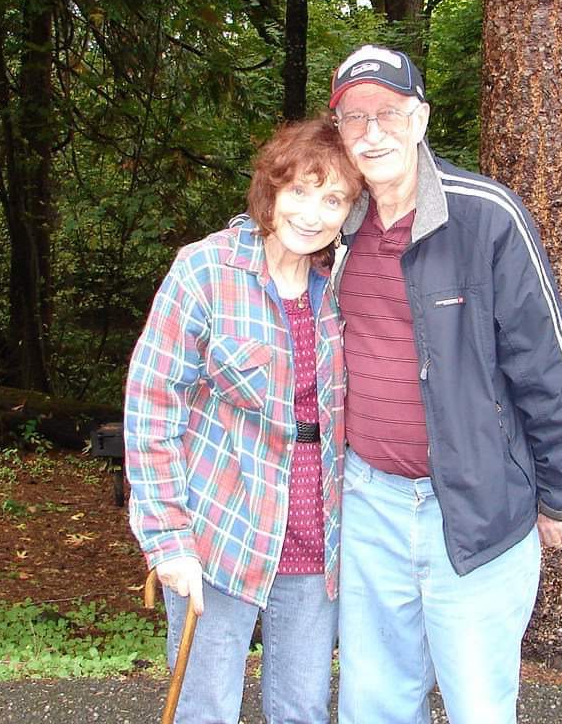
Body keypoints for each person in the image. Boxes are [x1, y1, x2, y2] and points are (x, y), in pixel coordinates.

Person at [329, 45, 562, 724]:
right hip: (367, 506)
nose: (372, 132)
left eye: (387, 112)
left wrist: (561, 491)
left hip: (477, 507)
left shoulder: (485, 217)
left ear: (420, 119)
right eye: (354, 117)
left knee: (478, 704)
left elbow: (549, 364)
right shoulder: (332, 226)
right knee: (374, 703)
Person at [123, 115, 362, 724]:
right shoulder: (206, 271)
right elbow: (152, 410)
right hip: (220, 527)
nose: (312, 212)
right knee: (205, 705)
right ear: (271, 190)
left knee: (304, 708)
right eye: (300, 190)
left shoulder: (345, 284)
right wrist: (168, 540)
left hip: (317, 530)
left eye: (332, 197)